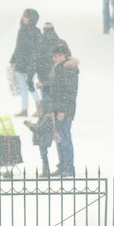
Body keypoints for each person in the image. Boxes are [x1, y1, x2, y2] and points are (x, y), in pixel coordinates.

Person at [44, 42, 80, 177]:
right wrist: (45, 86)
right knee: (59, 138)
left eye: (59, 55)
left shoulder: (68, 69)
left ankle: (69, 168)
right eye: (54, 55)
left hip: (64, 110)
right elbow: (57, 88)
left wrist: (62, 110)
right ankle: (63, 165)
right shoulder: (58, 69)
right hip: (57, 108)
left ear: (65, 56)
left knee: (64, 137)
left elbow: (68, 92)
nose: (56, 58)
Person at [9, 8, 41, 117]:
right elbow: (17, 46)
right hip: (20, 61)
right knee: (24, 87)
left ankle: (39, 107)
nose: (24, 18)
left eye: (26, 17)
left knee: (29, 85)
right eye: (24, 16)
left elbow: (36, 49)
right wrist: (13, 58)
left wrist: (33, 62)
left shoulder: (35, 32)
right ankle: (24, 109)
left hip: (29, 63)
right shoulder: (22, 30)